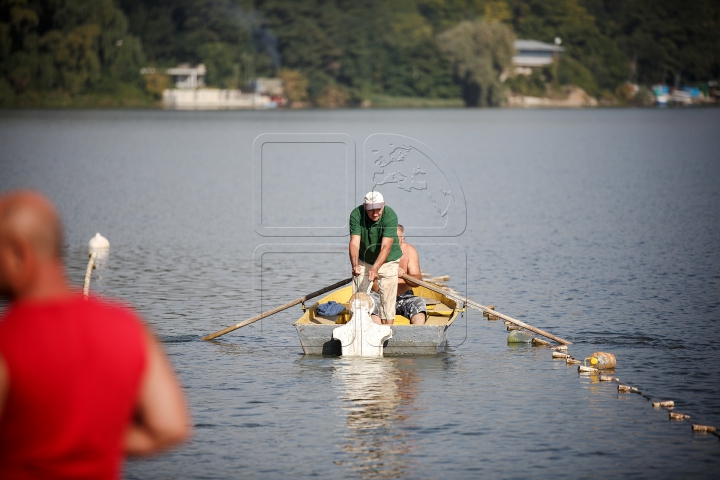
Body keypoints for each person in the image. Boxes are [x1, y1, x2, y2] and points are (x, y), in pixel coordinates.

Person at [0, 190, 191, 479]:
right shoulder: (128, 325)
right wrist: (94, 438)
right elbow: (171, 427)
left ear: (18, 252)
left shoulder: (7, 341)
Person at [349, 191, 402, 325]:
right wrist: (355, 264)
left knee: (387, 303)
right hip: (364, 259)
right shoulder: (356, 214)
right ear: (364, 206)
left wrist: (375, 268)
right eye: (371, 210)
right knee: (358, 301)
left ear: (384, 205)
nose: (375, 213)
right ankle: (358, 329)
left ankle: (387, 330)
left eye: (378, 209)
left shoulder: (390, 216)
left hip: (388, 260)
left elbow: (386, 247)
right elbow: (354, 243)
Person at [371, 224, 427, 325]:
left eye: (396, 240)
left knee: (419, 304)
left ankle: (417, 334)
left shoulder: (410, 251)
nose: (392, 243)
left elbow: (417, 281)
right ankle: (377, 333)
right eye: (389, 239)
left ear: (403, 239)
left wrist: (404, 275)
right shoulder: (376, 251)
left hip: (403, 297)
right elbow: (370, 280)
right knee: (368, 305)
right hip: (379, 296)